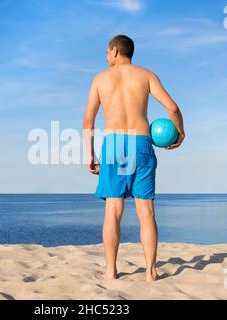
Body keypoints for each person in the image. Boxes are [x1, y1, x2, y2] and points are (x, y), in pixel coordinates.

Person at [82, 35, 185, 282]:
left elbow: (88, 121)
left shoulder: (100, 79)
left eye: (107, 52)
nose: (106, 56)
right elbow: (172, 108)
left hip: (114, 142)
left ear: (115, 51)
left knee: (113, 210)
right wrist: (180, 133)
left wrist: (91, 154)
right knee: (146, 211)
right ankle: (151, 272)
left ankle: (111, 270)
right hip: (141, 141)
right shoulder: (146, 74)